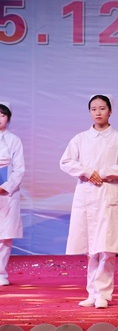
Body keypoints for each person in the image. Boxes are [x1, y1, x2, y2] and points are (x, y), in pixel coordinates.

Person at [60, 95, 118, 309]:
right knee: (91, 248)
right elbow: (65, 161)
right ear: (89, 112)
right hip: (86, 195)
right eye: (94, 109)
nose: (98, 112)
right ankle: (92, 292)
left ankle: (103, 293)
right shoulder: (80, 138)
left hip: (108, 193)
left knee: (107, 247)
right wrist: (86, 172)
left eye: (102, 108)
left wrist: (102, 173)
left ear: (110, 111)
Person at [0, 103, 25, 286]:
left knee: (5, 234)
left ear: (8, 118)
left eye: (2, 115)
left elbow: (19, 169)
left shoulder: (14, 140)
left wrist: (6, 186)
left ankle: (0, 273)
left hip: (6, 193)